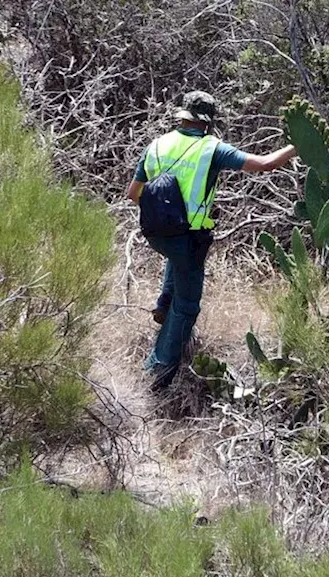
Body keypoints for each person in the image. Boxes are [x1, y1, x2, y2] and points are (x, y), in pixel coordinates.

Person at [127, 91, 298, 390]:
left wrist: (165, 209)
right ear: (208, 122)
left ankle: (163, 304)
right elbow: (264, 164)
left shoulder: (155, 145)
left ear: (182, 117)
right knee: (188, 306)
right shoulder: (211, 149)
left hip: (156, 234)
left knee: (176, 266)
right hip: (189, 239)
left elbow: (133, 194)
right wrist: (300, 147)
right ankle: (159, 369)